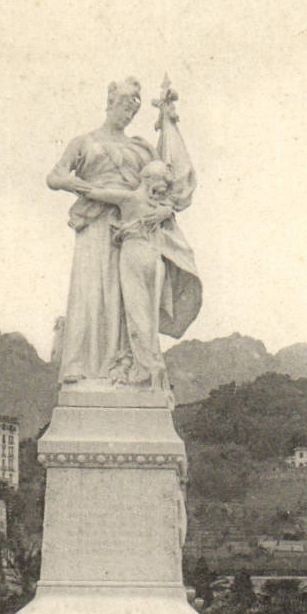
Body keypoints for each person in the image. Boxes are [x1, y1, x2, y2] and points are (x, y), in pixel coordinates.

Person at [47, 76, 200, 391]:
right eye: (124, 105)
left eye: (134, 109)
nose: (128, 113)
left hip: (133, 231)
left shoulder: (140, 147)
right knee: (91, 291)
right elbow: (55, 176)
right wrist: (82, 187)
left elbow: (167, 177)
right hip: (94, 226)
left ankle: (128, 365)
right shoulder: (84, 142)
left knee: (129, 300)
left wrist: (169, 123)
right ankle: (83, 368)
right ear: (110, 102)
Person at [81, 159, 202, 392]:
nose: (162, 190)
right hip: (155, 261)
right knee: (147, 317)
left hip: (135, 257)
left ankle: (147, 369)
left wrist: (69, 182)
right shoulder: (162, 208)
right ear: (150, 181)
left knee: (137, 317)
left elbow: (93, 192)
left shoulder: (130, 199)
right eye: (160, 184)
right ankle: (150, 367)